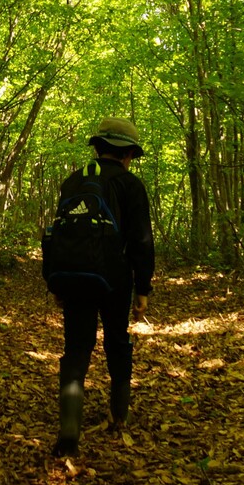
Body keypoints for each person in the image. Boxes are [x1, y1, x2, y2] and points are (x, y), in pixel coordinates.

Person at [49, 117, 154, 458]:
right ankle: (119, 416)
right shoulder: (130, 185)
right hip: (116, 276)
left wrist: (57, 278)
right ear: (128, 154)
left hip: (74, 275)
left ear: (98, 148)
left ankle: (68, 433)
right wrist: (143, 287)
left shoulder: (73, 181)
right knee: (117, 341)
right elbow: (141, 240)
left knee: (76, 347)